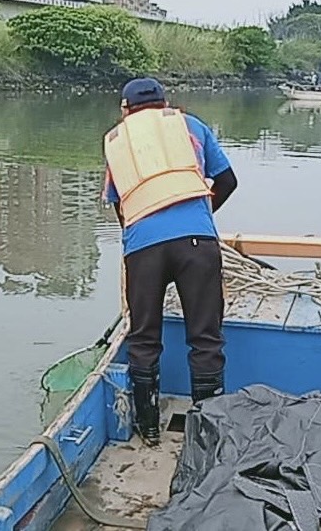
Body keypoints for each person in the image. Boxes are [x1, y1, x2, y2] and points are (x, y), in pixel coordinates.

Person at [101, 77, 238, 446]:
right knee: (206, 338)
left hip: (143, 245)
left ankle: (147, 429)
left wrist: (138, 240)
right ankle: (206, 436)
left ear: (125, 110)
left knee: (144, 338)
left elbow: (120, 204)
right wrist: (202, 216)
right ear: (165, 103)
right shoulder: (190, 125)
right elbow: (227, 180)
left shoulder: (116, 140)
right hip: (197, 242)